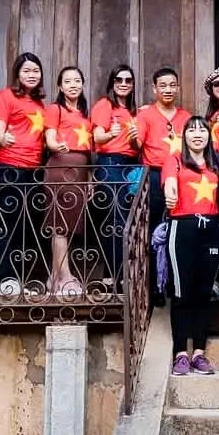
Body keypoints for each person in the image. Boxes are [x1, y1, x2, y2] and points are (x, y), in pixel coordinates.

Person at [162, 116, 219, 376]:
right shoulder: (174, 159)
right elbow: (169, 182)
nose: (197, 134)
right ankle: (180, 353)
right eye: (191, 130)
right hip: (183, 227)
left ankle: (199, 352)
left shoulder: (216, 165)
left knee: (203, 291)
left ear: (209, 136)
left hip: (212, 228)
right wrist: (170, 191)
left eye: (202, 130)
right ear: (184, 135)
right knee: (181, 291)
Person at [0, 52, 49, 299]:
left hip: (33, 170)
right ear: (17, 73)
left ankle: (21, 278)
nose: (32, 75)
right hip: (8, 168)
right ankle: (3, 279)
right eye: (26, 70)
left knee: (28, 226)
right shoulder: (5, 96)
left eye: (36, 71)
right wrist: (3, 137)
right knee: (7, 224)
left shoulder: (39, 104)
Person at [43, 66, 95, 297]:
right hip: (61, 168)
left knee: (71, 225)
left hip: (80, 173)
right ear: (60, 86)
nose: (73, 85)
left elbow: (89, 151)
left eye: (77, 80)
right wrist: (56, 146)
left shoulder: (85, 115)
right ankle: (65, 276)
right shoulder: (55, 109)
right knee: (60, 224)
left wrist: (90, 179)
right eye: (68, 81)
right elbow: (49, 138)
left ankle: (53, 278)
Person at [90, 66, 142, 288]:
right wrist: (111, 133)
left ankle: (124, 273)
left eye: (128, 80)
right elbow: (97, 137)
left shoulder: (134, 111)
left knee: (128, 220)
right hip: (111, 163)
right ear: (112, 83)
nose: (123, 83)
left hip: (131, 164)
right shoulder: (105, 105)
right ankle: (112, 275)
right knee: (114, 220)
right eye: (119, 79)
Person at [136, 67, 192, 232]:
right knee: (154, 220)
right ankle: (154, 257)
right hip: (154, 174)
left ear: (178, 88)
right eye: (163, 85)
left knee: (180, 217)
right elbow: (137, 145)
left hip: (181, 174)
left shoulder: (186, 117)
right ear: (155, 89)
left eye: (172, 85)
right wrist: (132, 137)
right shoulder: (145, 115)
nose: (168, 89)